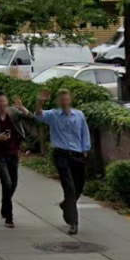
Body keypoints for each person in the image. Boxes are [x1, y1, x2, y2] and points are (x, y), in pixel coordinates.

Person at [0, 80, 34, 228]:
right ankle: (9, 217)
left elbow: (30, 117)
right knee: (6, 183)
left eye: (4, 101)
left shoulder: (14, 113)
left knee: (13, 184)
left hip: (13, 153)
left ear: (7, 102)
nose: (2, 104)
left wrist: (22, 108)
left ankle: (4, 205)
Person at [36, 86, 91, 234]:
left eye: (67, 99)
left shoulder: (79, 115)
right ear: (58, 101)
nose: (65, 102)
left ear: (70, 100)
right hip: (61, 155)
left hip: (77, 154)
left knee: (78, 186)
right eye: (62, 99)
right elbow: (39, 115)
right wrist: (40, 102)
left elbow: (84, 132)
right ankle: (73, 222)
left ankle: (66, 204)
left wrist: (85, 149)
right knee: (69, 187)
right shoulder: (53, 115)